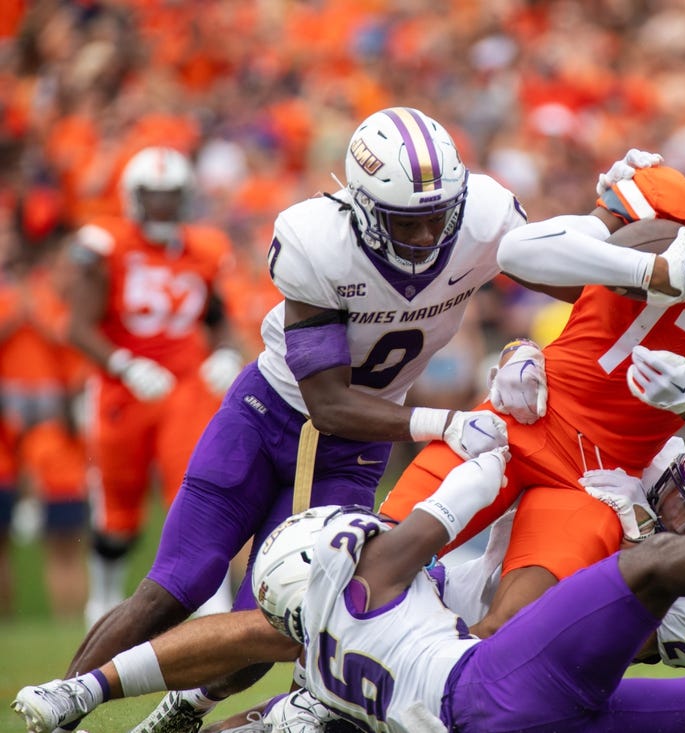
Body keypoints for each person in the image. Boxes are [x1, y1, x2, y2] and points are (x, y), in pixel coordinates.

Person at [13, 422, 685, 733]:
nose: (357, 530)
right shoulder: (370, 578)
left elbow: (277, 687)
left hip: (483, 703)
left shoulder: (326, 657)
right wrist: (490, 432)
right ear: (332, 570)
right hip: (492, 691)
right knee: (646, 570)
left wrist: (189, 717)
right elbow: (454, 499)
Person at [57, 107, 552, 731]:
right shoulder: (319, 243)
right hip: (268, 413)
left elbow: (574, 286)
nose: (428, 236)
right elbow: (328, 401)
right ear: (364, 210)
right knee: (177, 583)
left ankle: (184, 709)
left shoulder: (485, 216)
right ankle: (63, 701)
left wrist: (539, 335)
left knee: (279, 622)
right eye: (408, 221)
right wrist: (446, 424)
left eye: (438, 216)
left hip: (355, 446)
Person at [379, 104, 685, 639]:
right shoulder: (661, 200)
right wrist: (649, 271)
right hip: (519, 421)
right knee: (369, 574)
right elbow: (517, 254)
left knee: (510, 633)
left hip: (598, 481)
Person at [65, 146, 244, 627]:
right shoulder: (106, 243)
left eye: (172, 197)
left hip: (185, 385)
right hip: (121, 388)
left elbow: (219, 316)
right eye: (154, 197)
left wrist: (226, 352)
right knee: (118, 509)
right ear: (133, 198)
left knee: (198, 490)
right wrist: (124, 365)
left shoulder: (204, 247)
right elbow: (77, 326)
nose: (163, 207)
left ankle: (214, 606)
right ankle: (102, 600)